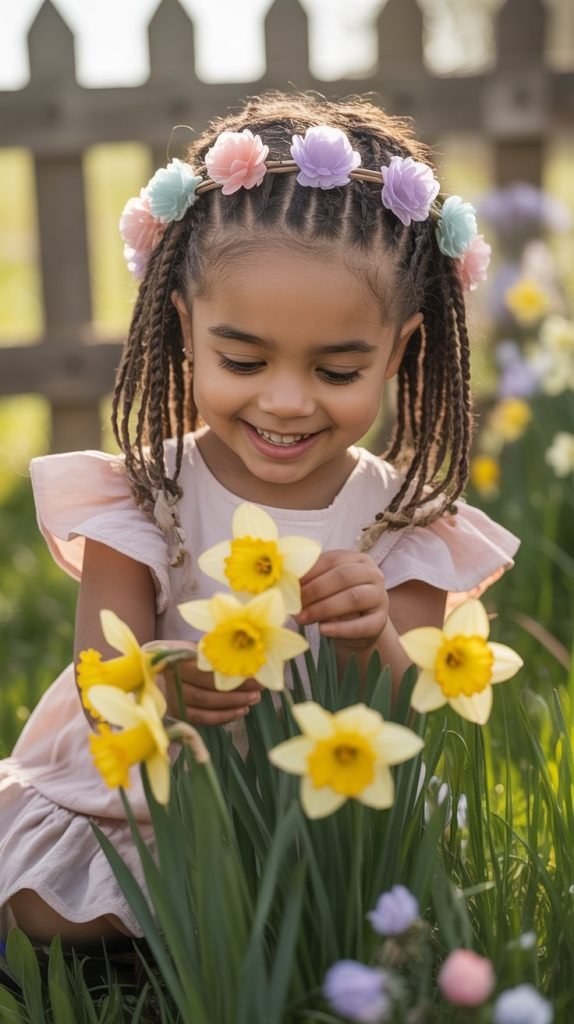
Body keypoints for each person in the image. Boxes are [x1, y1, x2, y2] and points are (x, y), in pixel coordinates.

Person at [0, 91, 518, 946]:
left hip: (326, 799)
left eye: (338, 372)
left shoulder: (403, 520)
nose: (286, 401)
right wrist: (165, 687)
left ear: (399, 351)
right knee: (56, 904)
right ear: (186, 328)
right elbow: (103, 681)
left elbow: (407, 711)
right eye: (242, 360)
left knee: (350, 890)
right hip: (157, 793)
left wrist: (372, 638)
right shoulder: (145, 493)